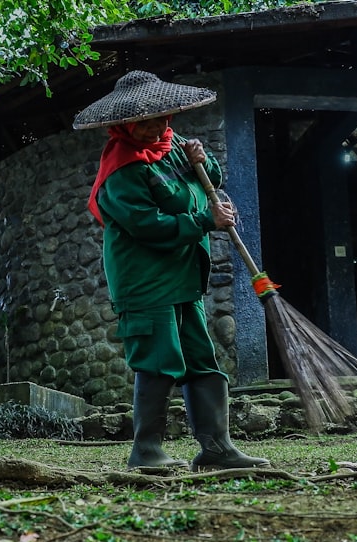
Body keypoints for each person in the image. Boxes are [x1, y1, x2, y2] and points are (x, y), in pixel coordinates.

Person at [73, 70, 270, 471]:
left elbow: (205, 180)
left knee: (201, 359)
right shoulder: (121, 169)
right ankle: (147, 452)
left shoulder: (173, 144)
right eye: (145, 122)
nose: (156, 127)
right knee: (160, 361)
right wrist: (205, 221)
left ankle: (217, 448)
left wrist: (204, 160)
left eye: (163, 118)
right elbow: (146, 224)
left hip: (183, 278)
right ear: (122, 125)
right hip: (146, 282)